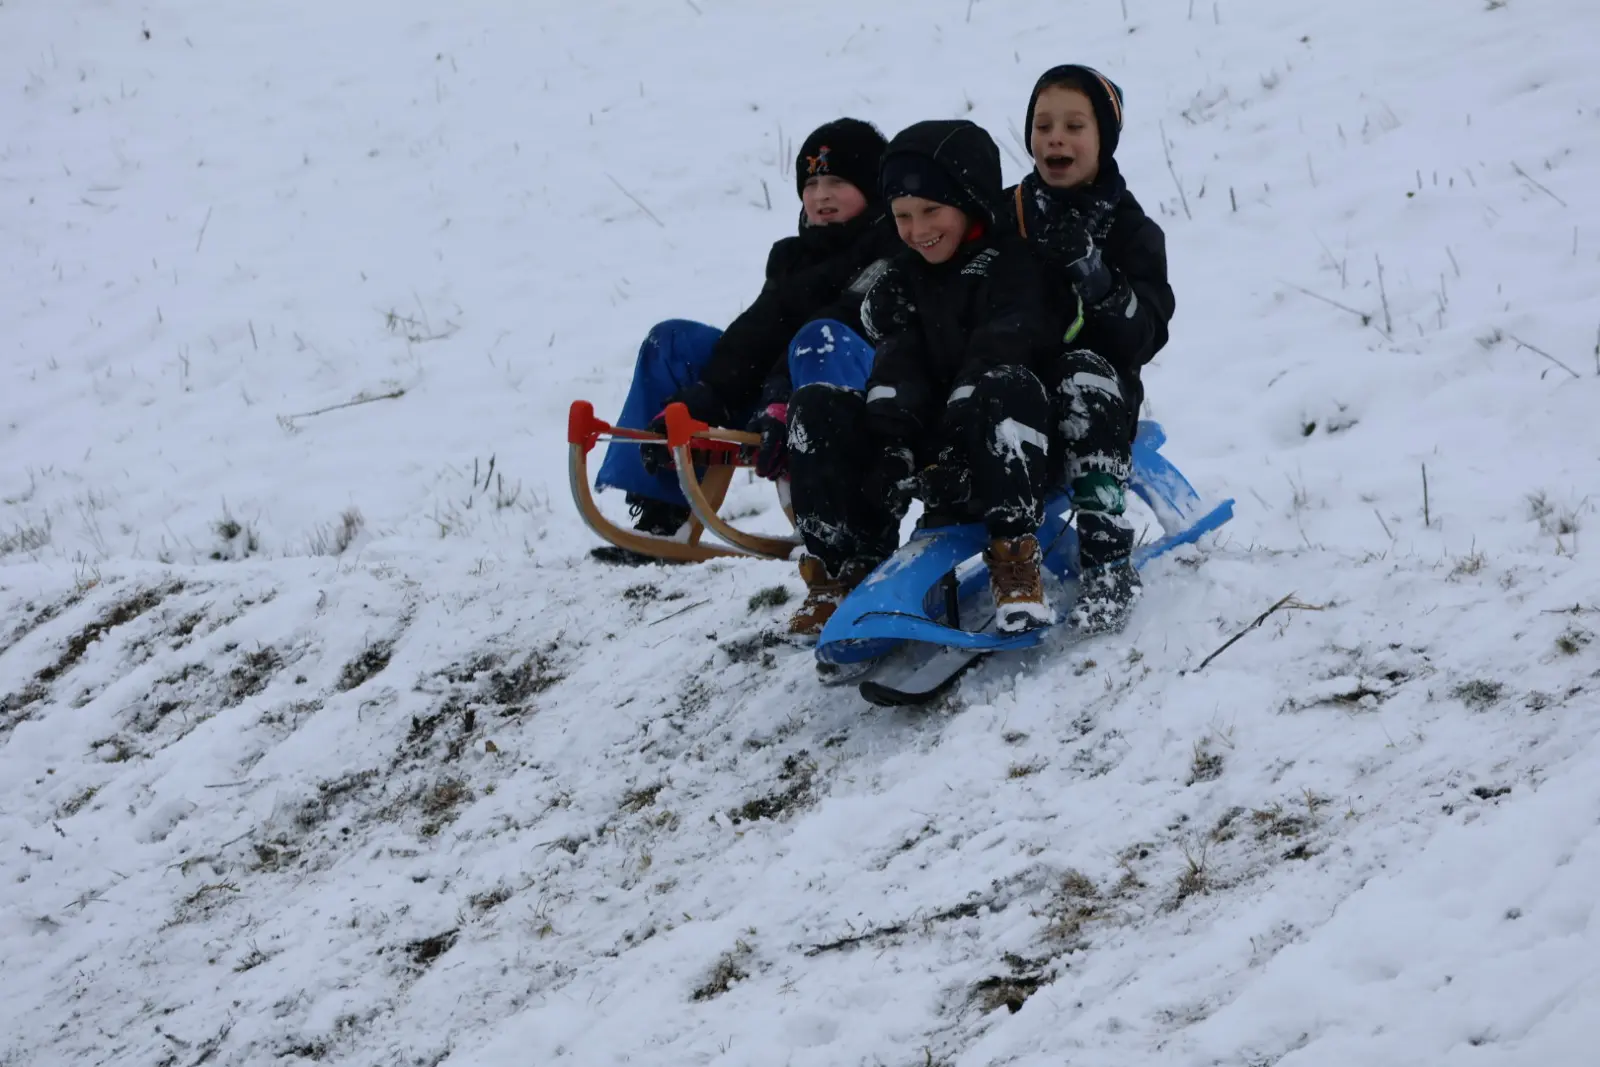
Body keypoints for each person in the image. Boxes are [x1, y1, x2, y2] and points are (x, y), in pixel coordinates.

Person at [785, 119, 1062, 637]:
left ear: (972, 201)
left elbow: (999, 347)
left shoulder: (1016, 266)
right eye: (903, 216)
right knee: (817, 406)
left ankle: (1014, 560)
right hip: (931, 439)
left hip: (1005, 441)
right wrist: (895, 445)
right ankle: (844, 567)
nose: (917, 230)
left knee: (1003, 385)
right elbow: (898, 360)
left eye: (932, 210)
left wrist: (956, 444)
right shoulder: (902, 277)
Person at [591, 118, 901, 555]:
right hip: (778, 394)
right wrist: (707, 393)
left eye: (836, 181)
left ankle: (834, 523)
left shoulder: (892, 246)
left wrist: (783, 395)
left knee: (820, 336)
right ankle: (661, 512)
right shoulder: (793, 257)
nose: (821, 195)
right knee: (672, 342)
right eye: (810, 184)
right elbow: (759, 331)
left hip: (850, 395)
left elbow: (846, 318)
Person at [1002, 64, 1176, 633]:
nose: (1056, 137)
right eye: (1043, 123)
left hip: (1098, 397)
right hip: (1015, 389)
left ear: (1104, 139)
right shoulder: (1005, 215)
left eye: (1075, 125)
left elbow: (1145, 335)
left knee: (1080, 374)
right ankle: (1002, 552)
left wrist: (1096, 276)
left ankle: (1105, 553)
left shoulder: (1131, 231)